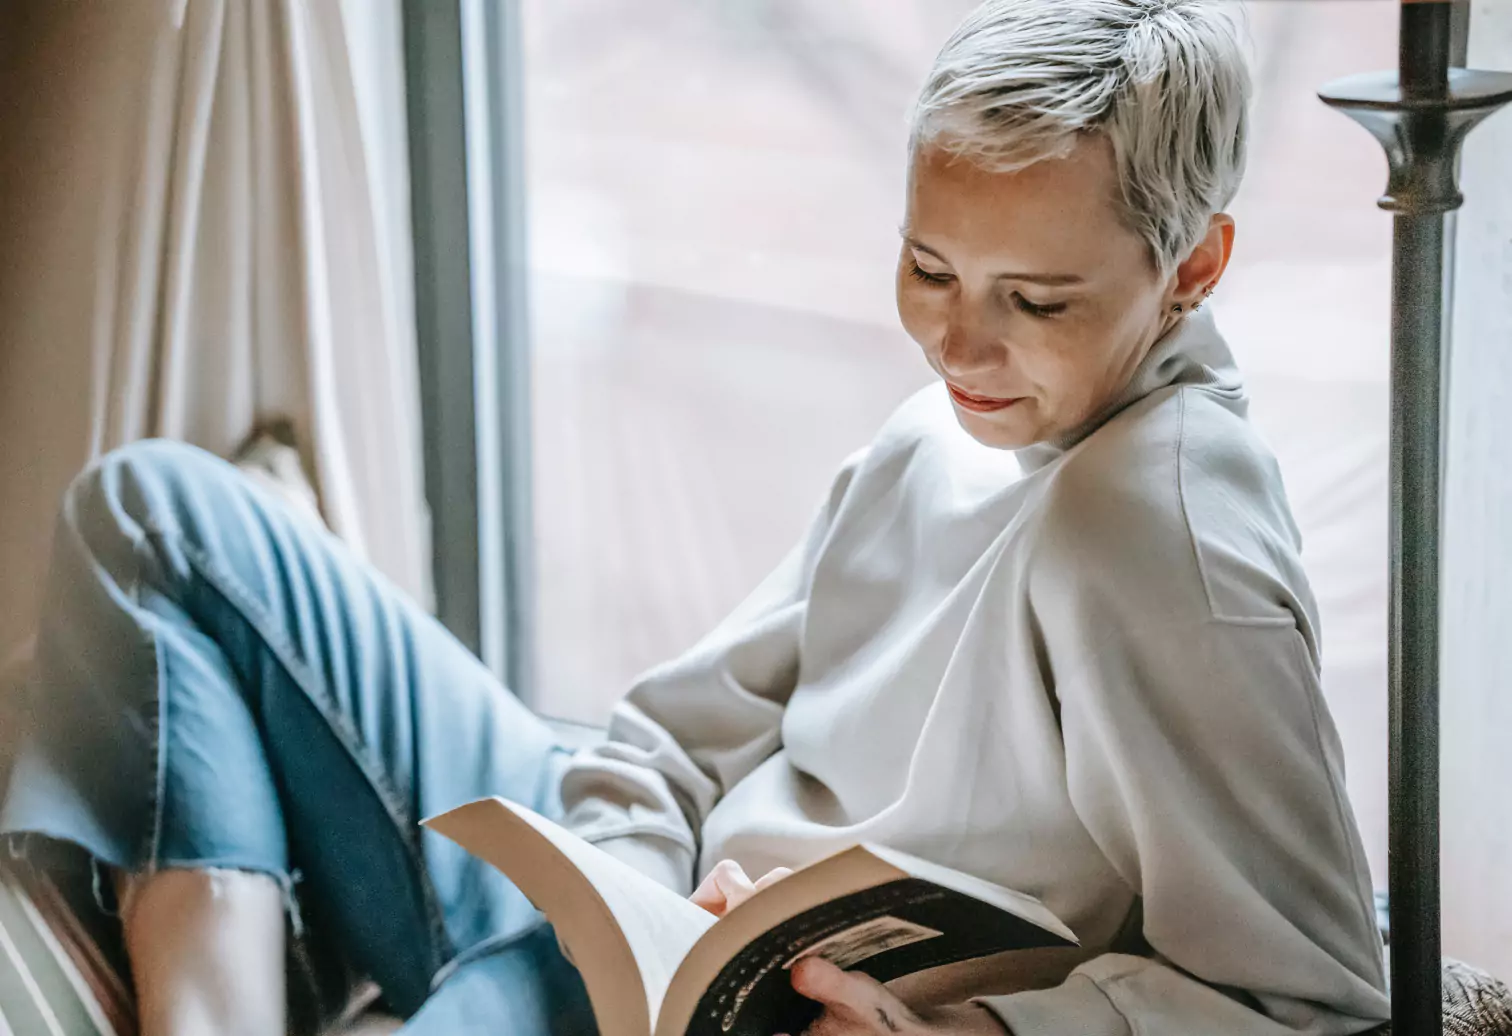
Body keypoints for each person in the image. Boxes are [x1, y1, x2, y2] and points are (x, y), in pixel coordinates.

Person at [0, 0, 1392, 1033]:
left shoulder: (1158, 534)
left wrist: (983, 1030)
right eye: (927, 267)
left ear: (1195, 265)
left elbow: (1308, 997)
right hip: (631, 930)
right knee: (159, 512)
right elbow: (666, 734)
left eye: (1033, 303)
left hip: (728, 1010)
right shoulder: (941, 439)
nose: (955, 347)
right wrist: (630, 896)